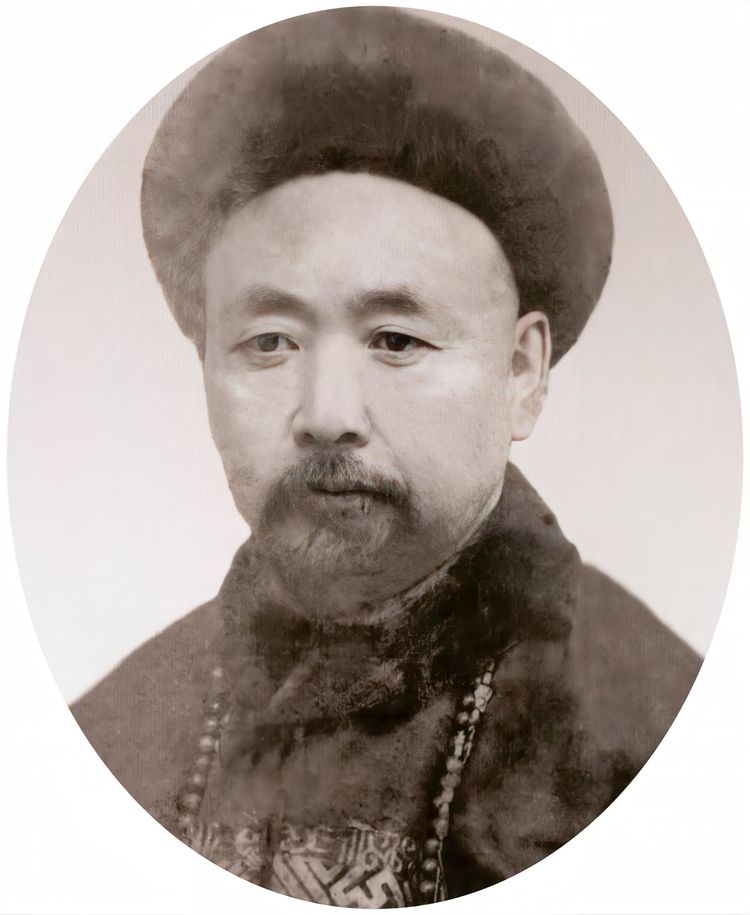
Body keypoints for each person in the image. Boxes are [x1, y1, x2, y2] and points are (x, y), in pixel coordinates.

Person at [72, 8, 700, 907]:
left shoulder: (668, 744)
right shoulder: (110, 737)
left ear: (522, 373)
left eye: (397, 340)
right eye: (269, 342)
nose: (327, 415)